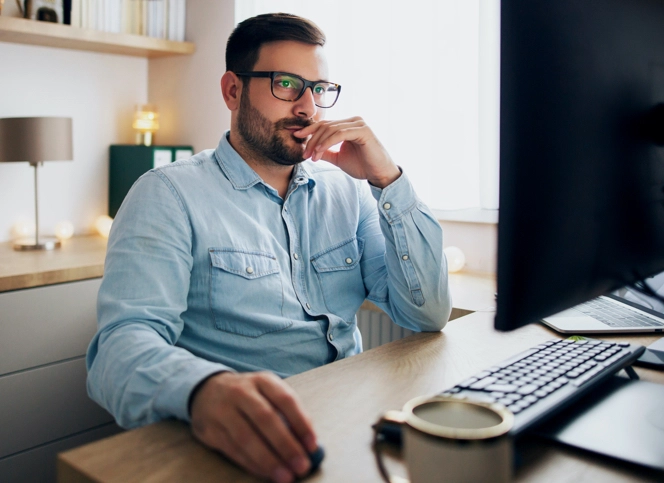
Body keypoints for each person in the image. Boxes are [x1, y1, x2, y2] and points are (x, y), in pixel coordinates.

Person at [86, 13, 452, 483]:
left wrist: (387, 179)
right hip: (243, 446)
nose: (308, 107)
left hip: (352, 423)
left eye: (318, 89)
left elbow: (427, 314)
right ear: (232, 91)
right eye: (286, 84)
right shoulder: (166, 195)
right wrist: (203, 390)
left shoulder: (349, 189)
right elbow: (118, 350)